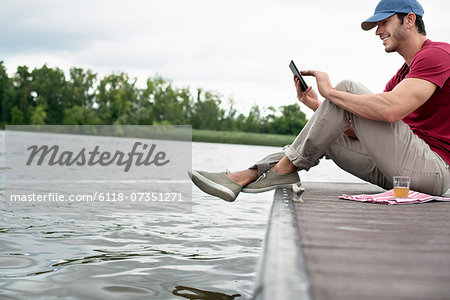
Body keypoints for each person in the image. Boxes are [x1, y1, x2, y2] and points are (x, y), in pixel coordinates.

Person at [189, 0, 450, 202]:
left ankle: (268, 172)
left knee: (347, 87)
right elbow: (358, 130)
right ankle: (247, 175)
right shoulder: (402, 76)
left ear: (409, 20)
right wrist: (318, 104)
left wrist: (331, 93)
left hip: (433, 172)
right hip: (398, 172)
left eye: (383, 22)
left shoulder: (437, 54)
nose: (377, 31)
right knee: (326, 133)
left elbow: (391, 111)